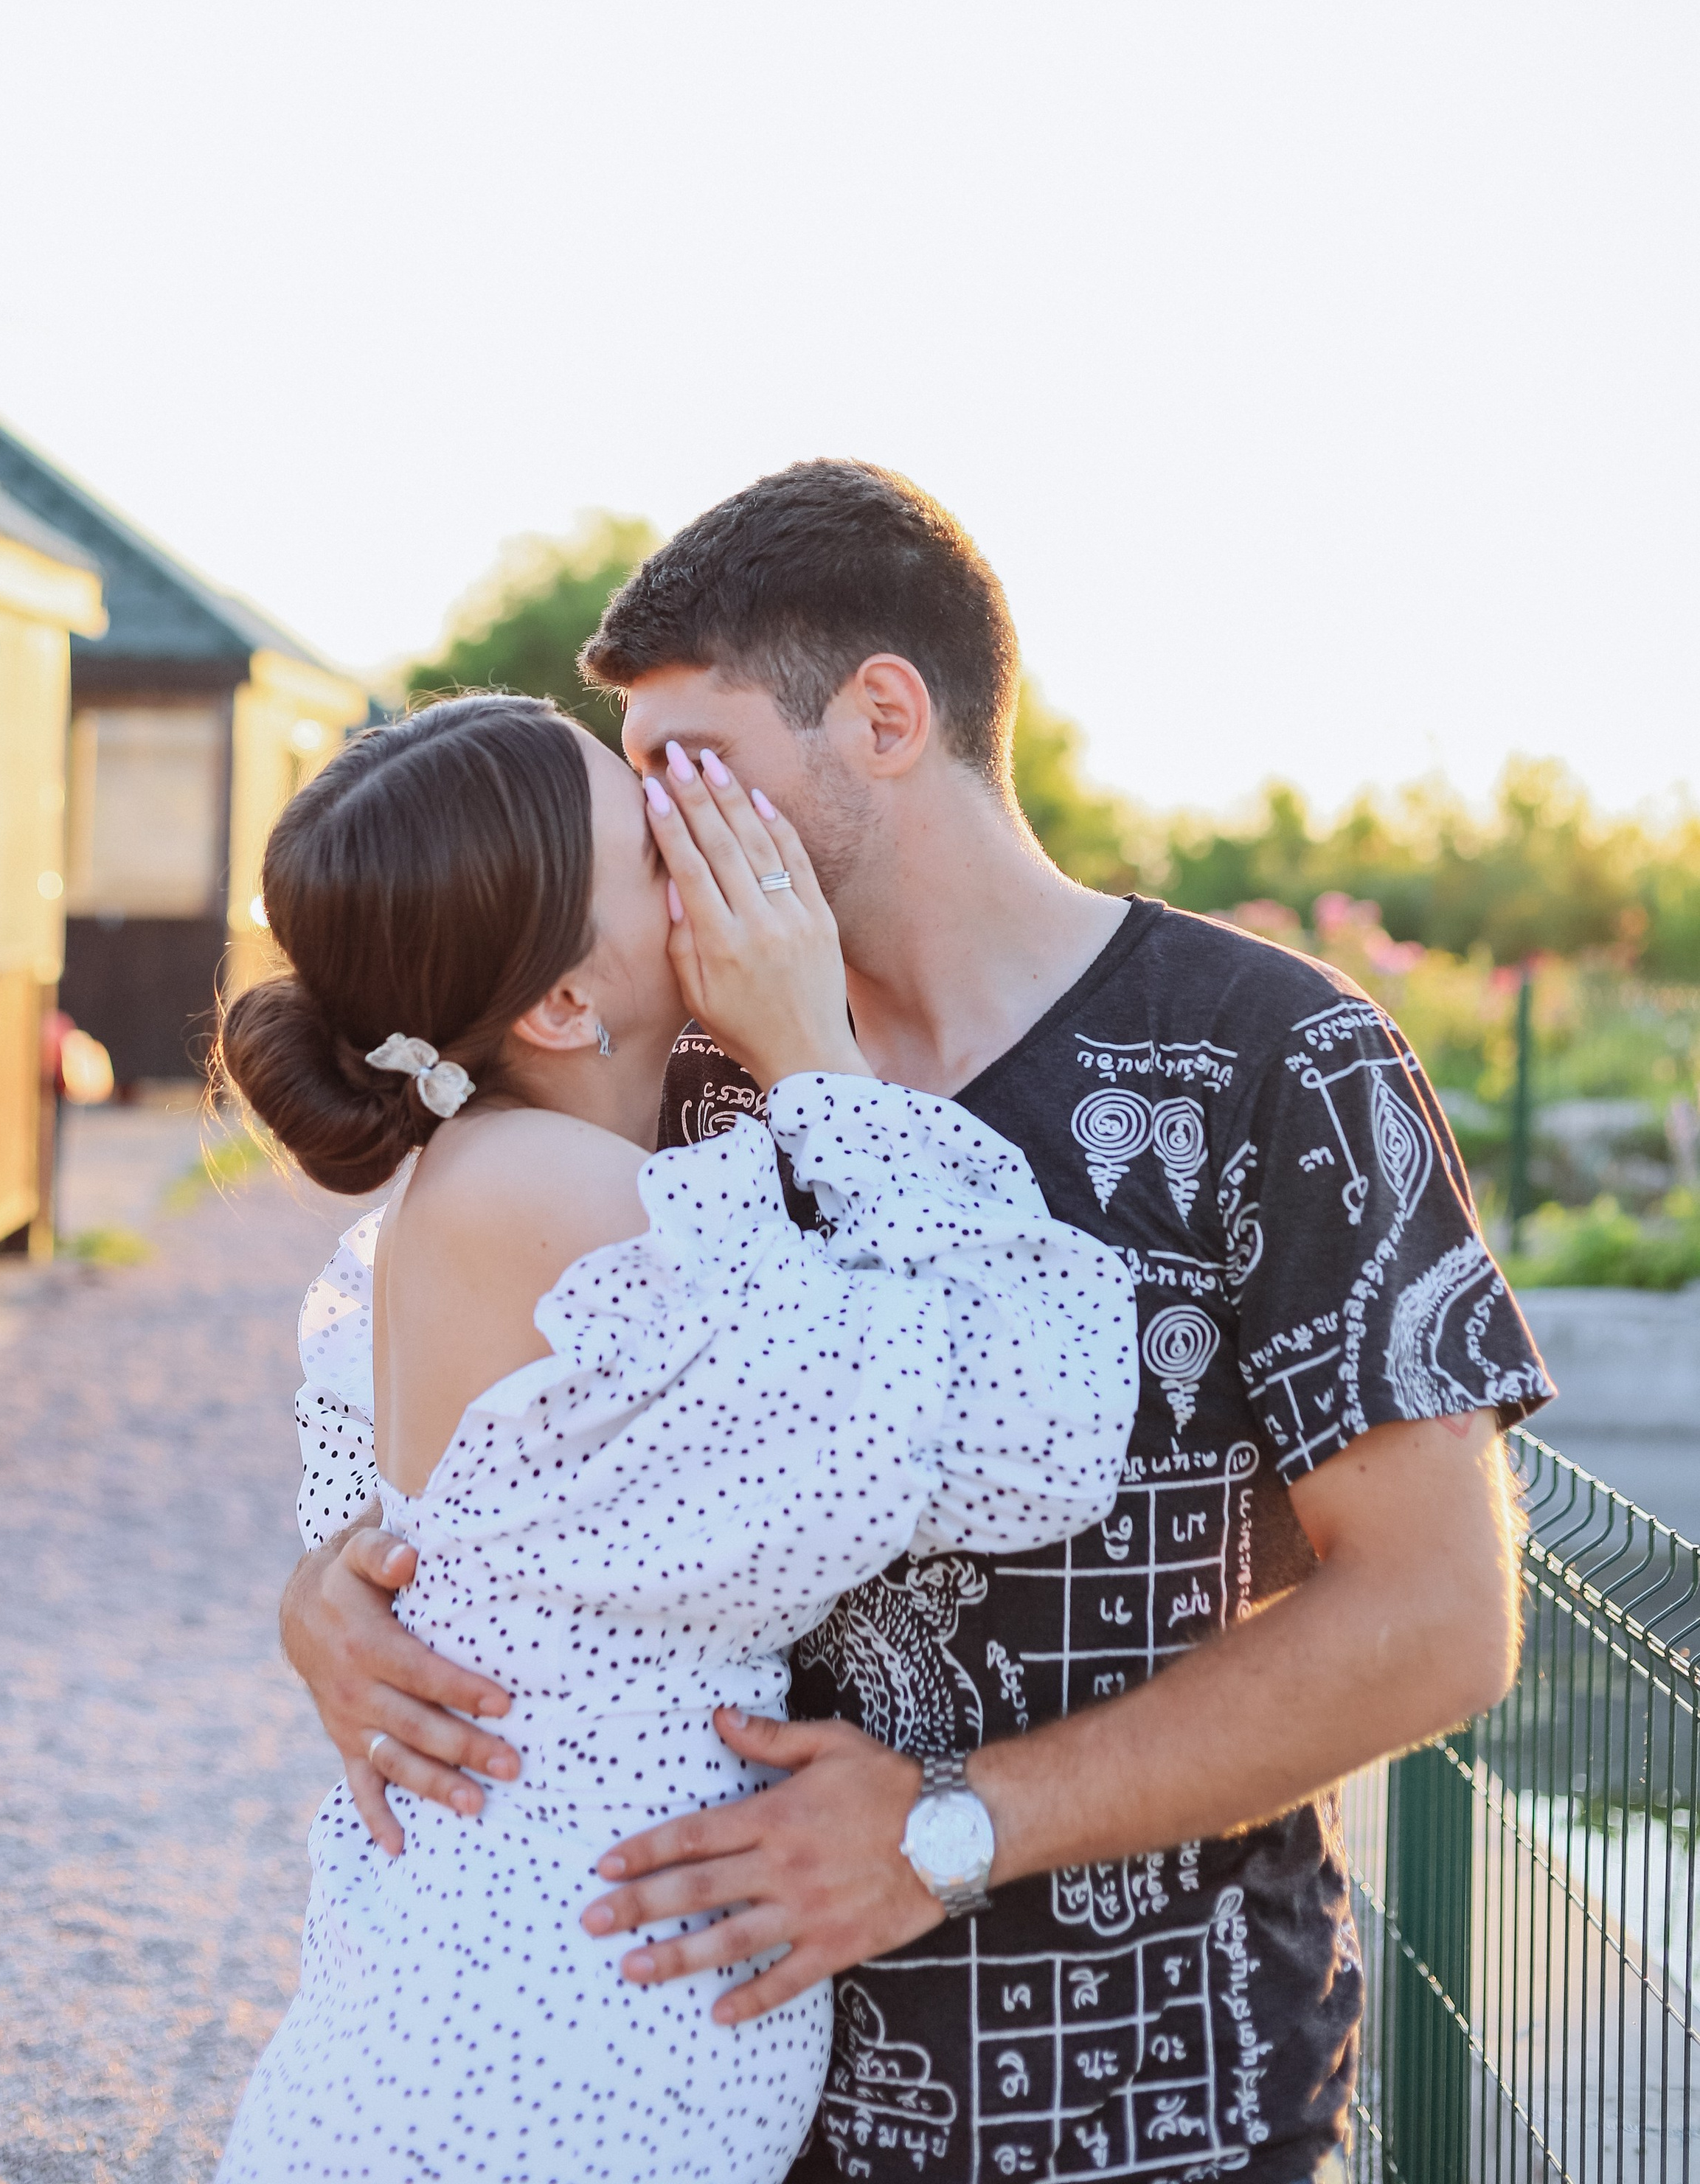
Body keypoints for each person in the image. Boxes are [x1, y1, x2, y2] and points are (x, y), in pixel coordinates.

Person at [286, 461, 1555, 2184]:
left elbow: (1436, 1622)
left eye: (688, 767)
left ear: (882, 717)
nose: (657, 827)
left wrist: (947, 1835)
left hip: (1149, 2116)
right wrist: (336, 1594)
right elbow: (460, 1422)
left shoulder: (1272, 1061)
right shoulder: (663, 1081)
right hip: (710, 2108)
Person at [213, 691, 1138, 2184]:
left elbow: (363, 1494)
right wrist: (816, 1053)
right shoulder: (558, 1198)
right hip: (510, 2088)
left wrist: (319, 1590)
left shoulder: (506, 1183)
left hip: (521, 2049)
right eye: (656, 840)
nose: (709, 840)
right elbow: (1042, 1425)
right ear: (562, 1004)